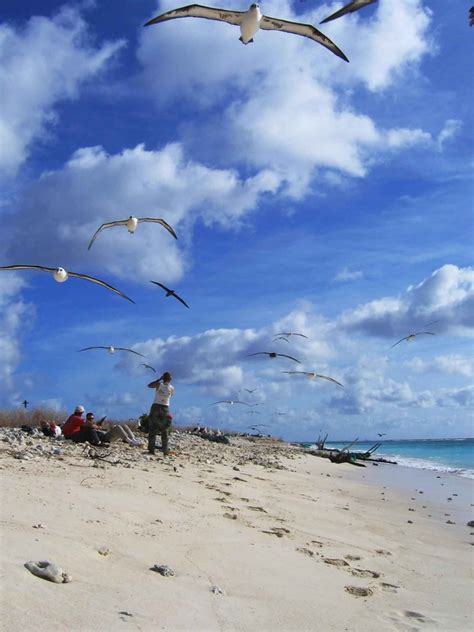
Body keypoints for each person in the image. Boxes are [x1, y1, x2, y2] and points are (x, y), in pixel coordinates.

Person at [147, 372, 174, 455]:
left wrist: (158, 379)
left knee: (153, 428)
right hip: (165, 407)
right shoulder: (172, 388)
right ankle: (165, 450)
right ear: (170, 379)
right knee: (164, 429)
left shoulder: (159, 384)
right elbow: (171, 396)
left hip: (156, 406)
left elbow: (149, 385)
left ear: (163, 378)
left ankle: (151, 450)